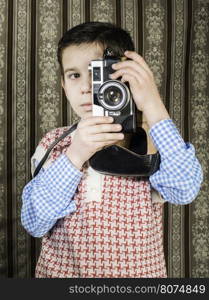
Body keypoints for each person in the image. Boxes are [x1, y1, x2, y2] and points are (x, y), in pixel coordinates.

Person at [21, 21, 202, 278]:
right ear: (63, 84)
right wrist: (76, 154)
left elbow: (184, 189)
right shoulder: (56, 142)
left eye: (97, 74)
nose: (86, 87)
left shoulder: (150, 137)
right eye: (74, 75)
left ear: (124, 75)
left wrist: (153, 105)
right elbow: (35, 222)